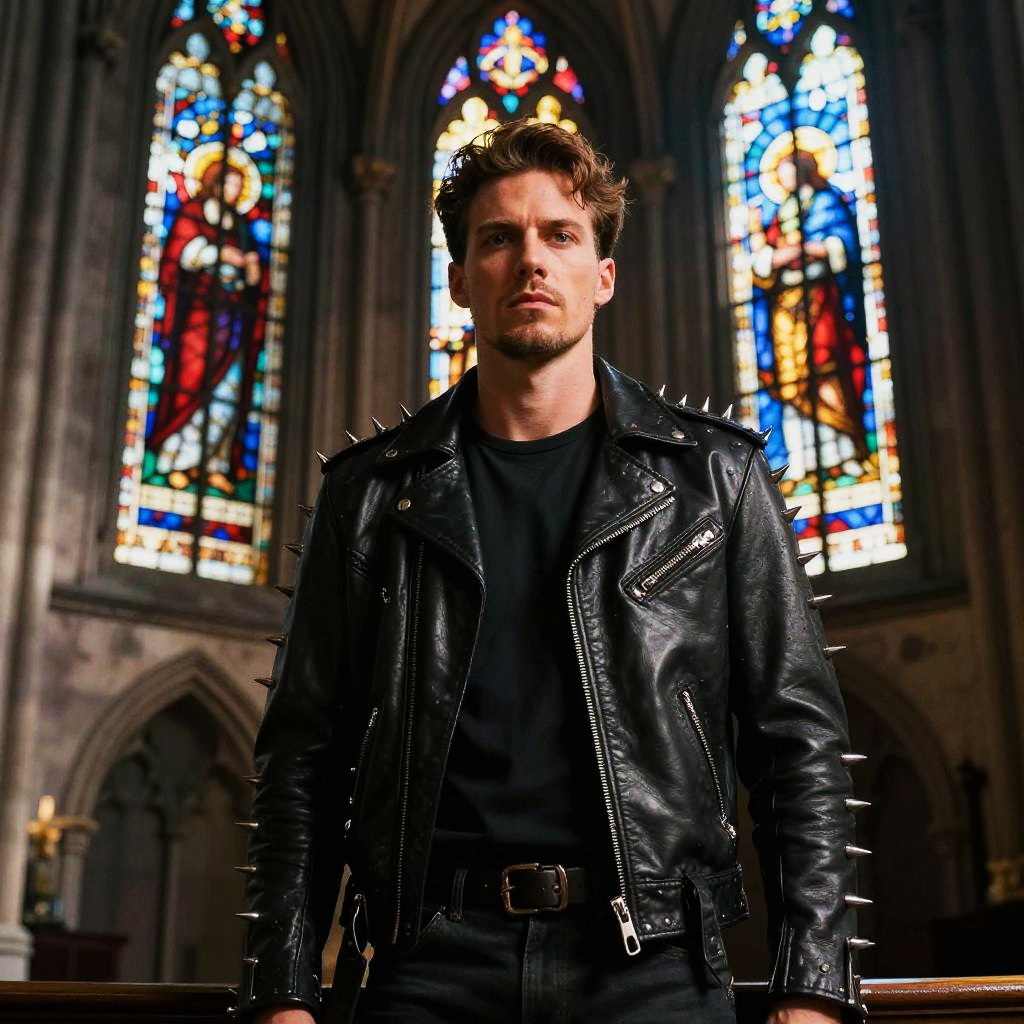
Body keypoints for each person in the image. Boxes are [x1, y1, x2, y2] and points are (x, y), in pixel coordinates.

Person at [232, 121, 871, 1024]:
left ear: (602, 276)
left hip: (651, 965)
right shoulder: (369, 496)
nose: (530, 260)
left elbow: (796, 739)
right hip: (429, 964)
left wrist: (815, 988)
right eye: (498, 238)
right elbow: (302, 755)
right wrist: (279, 991)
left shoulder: (714, 481)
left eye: (560, 235)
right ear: (459, 280)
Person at [147, 157, 266, 496]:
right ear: (213, 184)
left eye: (239, 187)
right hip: (198, 315)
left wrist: (253, 273)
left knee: (226, 393)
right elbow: (179, 253)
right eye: (229, 184)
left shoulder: (241, 227)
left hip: (233, 318)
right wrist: (219, 255)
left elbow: (256, 277)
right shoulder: (193, 213)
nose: (234, 191)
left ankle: (213, 464)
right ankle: (176, 460)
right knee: (191, 381)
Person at [750, 148, 871, 480]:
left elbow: (841, 246)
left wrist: (801, 250)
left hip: (820, 299)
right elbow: (761, 266)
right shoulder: (777, 215)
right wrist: (771, 255)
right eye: (782, 173)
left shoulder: (826, 203)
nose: (785, 178)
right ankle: (801, 461)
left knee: (826, 367)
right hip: (784, 309)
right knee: (792, 383)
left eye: (790, 170)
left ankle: (845, 450)